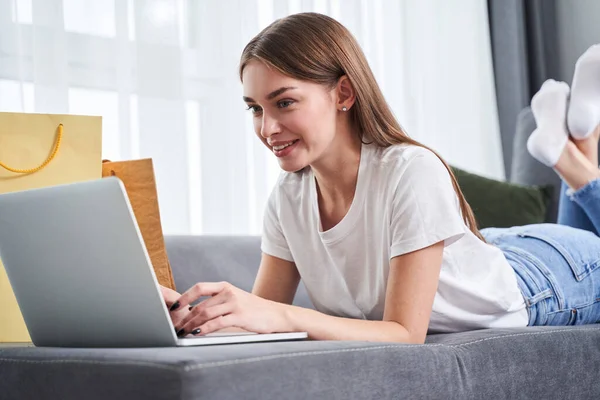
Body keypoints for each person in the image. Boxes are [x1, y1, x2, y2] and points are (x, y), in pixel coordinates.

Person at [161, 13, 600, 344]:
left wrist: (284, 316)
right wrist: (183, 316)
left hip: (546, 276)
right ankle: (574, 146)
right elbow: (262, 318)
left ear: (344, 94)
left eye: (285, 103)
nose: (267, 128)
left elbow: (405, 333)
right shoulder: (288, 197)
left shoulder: (410, 170)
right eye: (256, 108)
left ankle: (575, 158)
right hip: (492, 251)